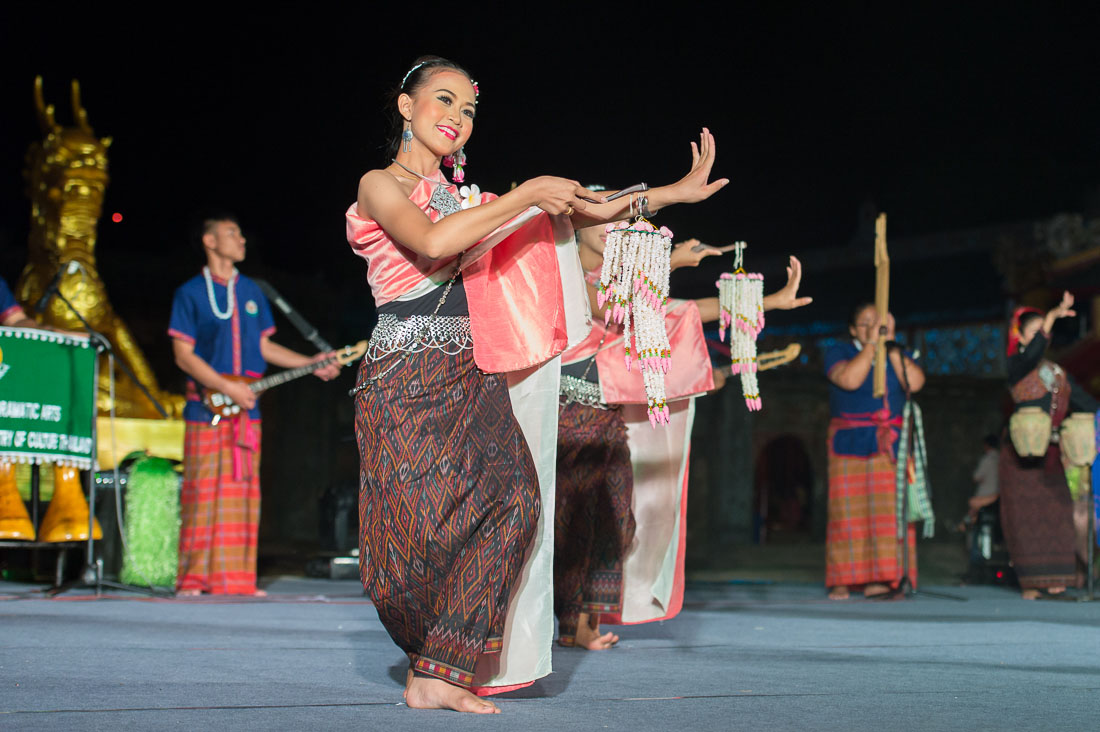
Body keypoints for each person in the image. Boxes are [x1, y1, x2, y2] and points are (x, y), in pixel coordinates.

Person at [346, 55, 727, 713]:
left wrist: (665, 194)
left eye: (468, 110)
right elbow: (433, 241)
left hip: (472, 372)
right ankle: (429, 661)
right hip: (403, 372)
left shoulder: (477, 202)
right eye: (443, 101)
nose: (458, 119)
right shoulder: (379, 184)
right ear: (406, 107)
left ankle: (444, 670)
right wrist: (525, 197)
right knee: (412, 533)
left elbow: (579, 210)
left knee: (517, 501)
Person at [555, 225, 811, 649]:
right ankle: (562, 621)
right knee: (563, 522)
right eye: (600, 220)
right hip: (561, 413)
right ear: (577, 227)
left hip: (607, 417)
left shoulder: (623, 280)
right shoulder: (562, 270)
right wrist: (670, 260)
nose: (609, 230)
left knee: (616, 520)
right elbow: (612, 303)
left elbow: (681, 310)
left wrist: (768, 302)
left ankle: (582, 623)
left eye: (617, 223)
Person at [168, 214, 338, 597]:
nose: (241, 239)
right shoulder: (190, 293)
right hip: (206, 410)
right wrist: (225, 386)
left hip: (247, 411)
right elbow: (183, 355)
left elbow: (264, 348)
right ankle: (193, 579)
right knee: (202, 494)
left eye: (241, 233)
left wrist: (310, 363)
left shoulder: (252, 292)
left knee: (241, 494)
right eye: (231, 233)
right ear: (210, 241)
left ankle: (236, 581)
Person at [1000, 293, 1099, 599]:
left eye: (1044, 332)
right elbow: (1033, 354)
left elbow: (1084, 403)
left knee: (1058, 513)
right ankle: (1032, 582)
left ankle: (1056, 578)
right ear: (1020, 338)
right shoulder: (1017, 365)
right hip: (1021, 455)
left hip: (1053, 454)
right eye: (1035, 332)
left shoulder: (1057, 373)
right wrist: (1053, 316)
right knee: (1026, 517)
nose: (1042, 338)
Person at [824, 303, 925, 600]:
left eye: (879, 321)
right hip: (850, 441)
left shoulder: (898, 353)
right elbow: (849, 380)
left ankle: (883, 577)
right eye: (865, 322)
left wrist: (892, 349)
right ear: (854, 329)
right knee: (846, 514)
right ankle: (843, 578)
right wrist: (870, 345)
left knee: (887, 514)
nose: (874, 325)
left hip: (888, 444)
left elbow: (915, 384)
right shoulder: (838, 351)